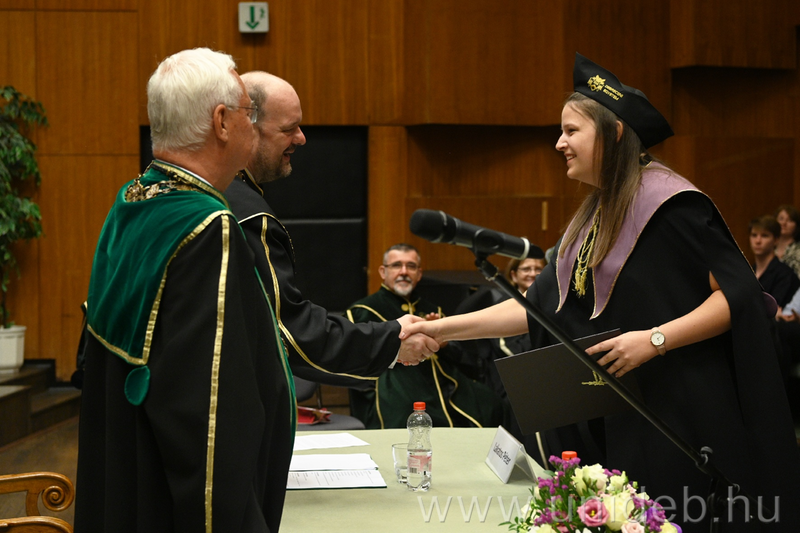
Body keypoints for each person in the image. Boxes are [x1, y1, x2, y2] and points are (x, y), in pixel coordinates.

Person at [400, 53, 800, 531]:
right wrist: (440, 331)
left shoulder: (671, 204)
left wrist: (654, 340)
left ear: (613, 134)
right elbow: (537, 308)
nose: (559, 143)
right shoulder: (595, 214)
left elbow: (739, 297)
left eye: (571, 131)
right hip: (621, 410)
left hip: (682, 416)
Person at [75, 48, 295, 532]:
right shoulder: (207, 227)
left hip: (127, 476)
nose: (252, 124)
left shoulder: (135, 199)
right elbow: (210, 410)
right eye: (247, 112)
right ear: (221, 122)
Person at [223, 71, 435, 390]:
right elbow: (290, 331)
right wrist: (391, 340)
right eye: (288, 129)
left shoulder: (167, 192)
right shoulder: (245, 214)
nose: (301, 138)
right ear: (244, 126)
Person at [346, 243, 507, 429]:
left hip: (444, 382)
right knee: (405, 407)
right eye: (397, 265)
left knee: (491, 403)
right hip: (394, 384)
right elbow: (356, 361)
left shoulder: (432, 310)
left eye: (411, 266)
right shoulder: (362, 311)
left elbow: (461, 357)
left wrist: (443, 342)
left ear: (419, 274)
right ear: (383, 272)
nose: (404, 272)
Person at [749, 214, 800, 308]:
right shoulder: (748, 271)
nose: (758, 241)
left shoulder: (785, 274)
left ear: (776, 240)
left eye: (764, 236)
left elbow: (772, 309)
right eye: (754, 235)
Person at [775, 204, 800, 275]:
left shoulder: (798, 249)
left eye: (790, 220)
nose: (784, 223)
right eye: (781, 219)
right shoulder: (768, 249)